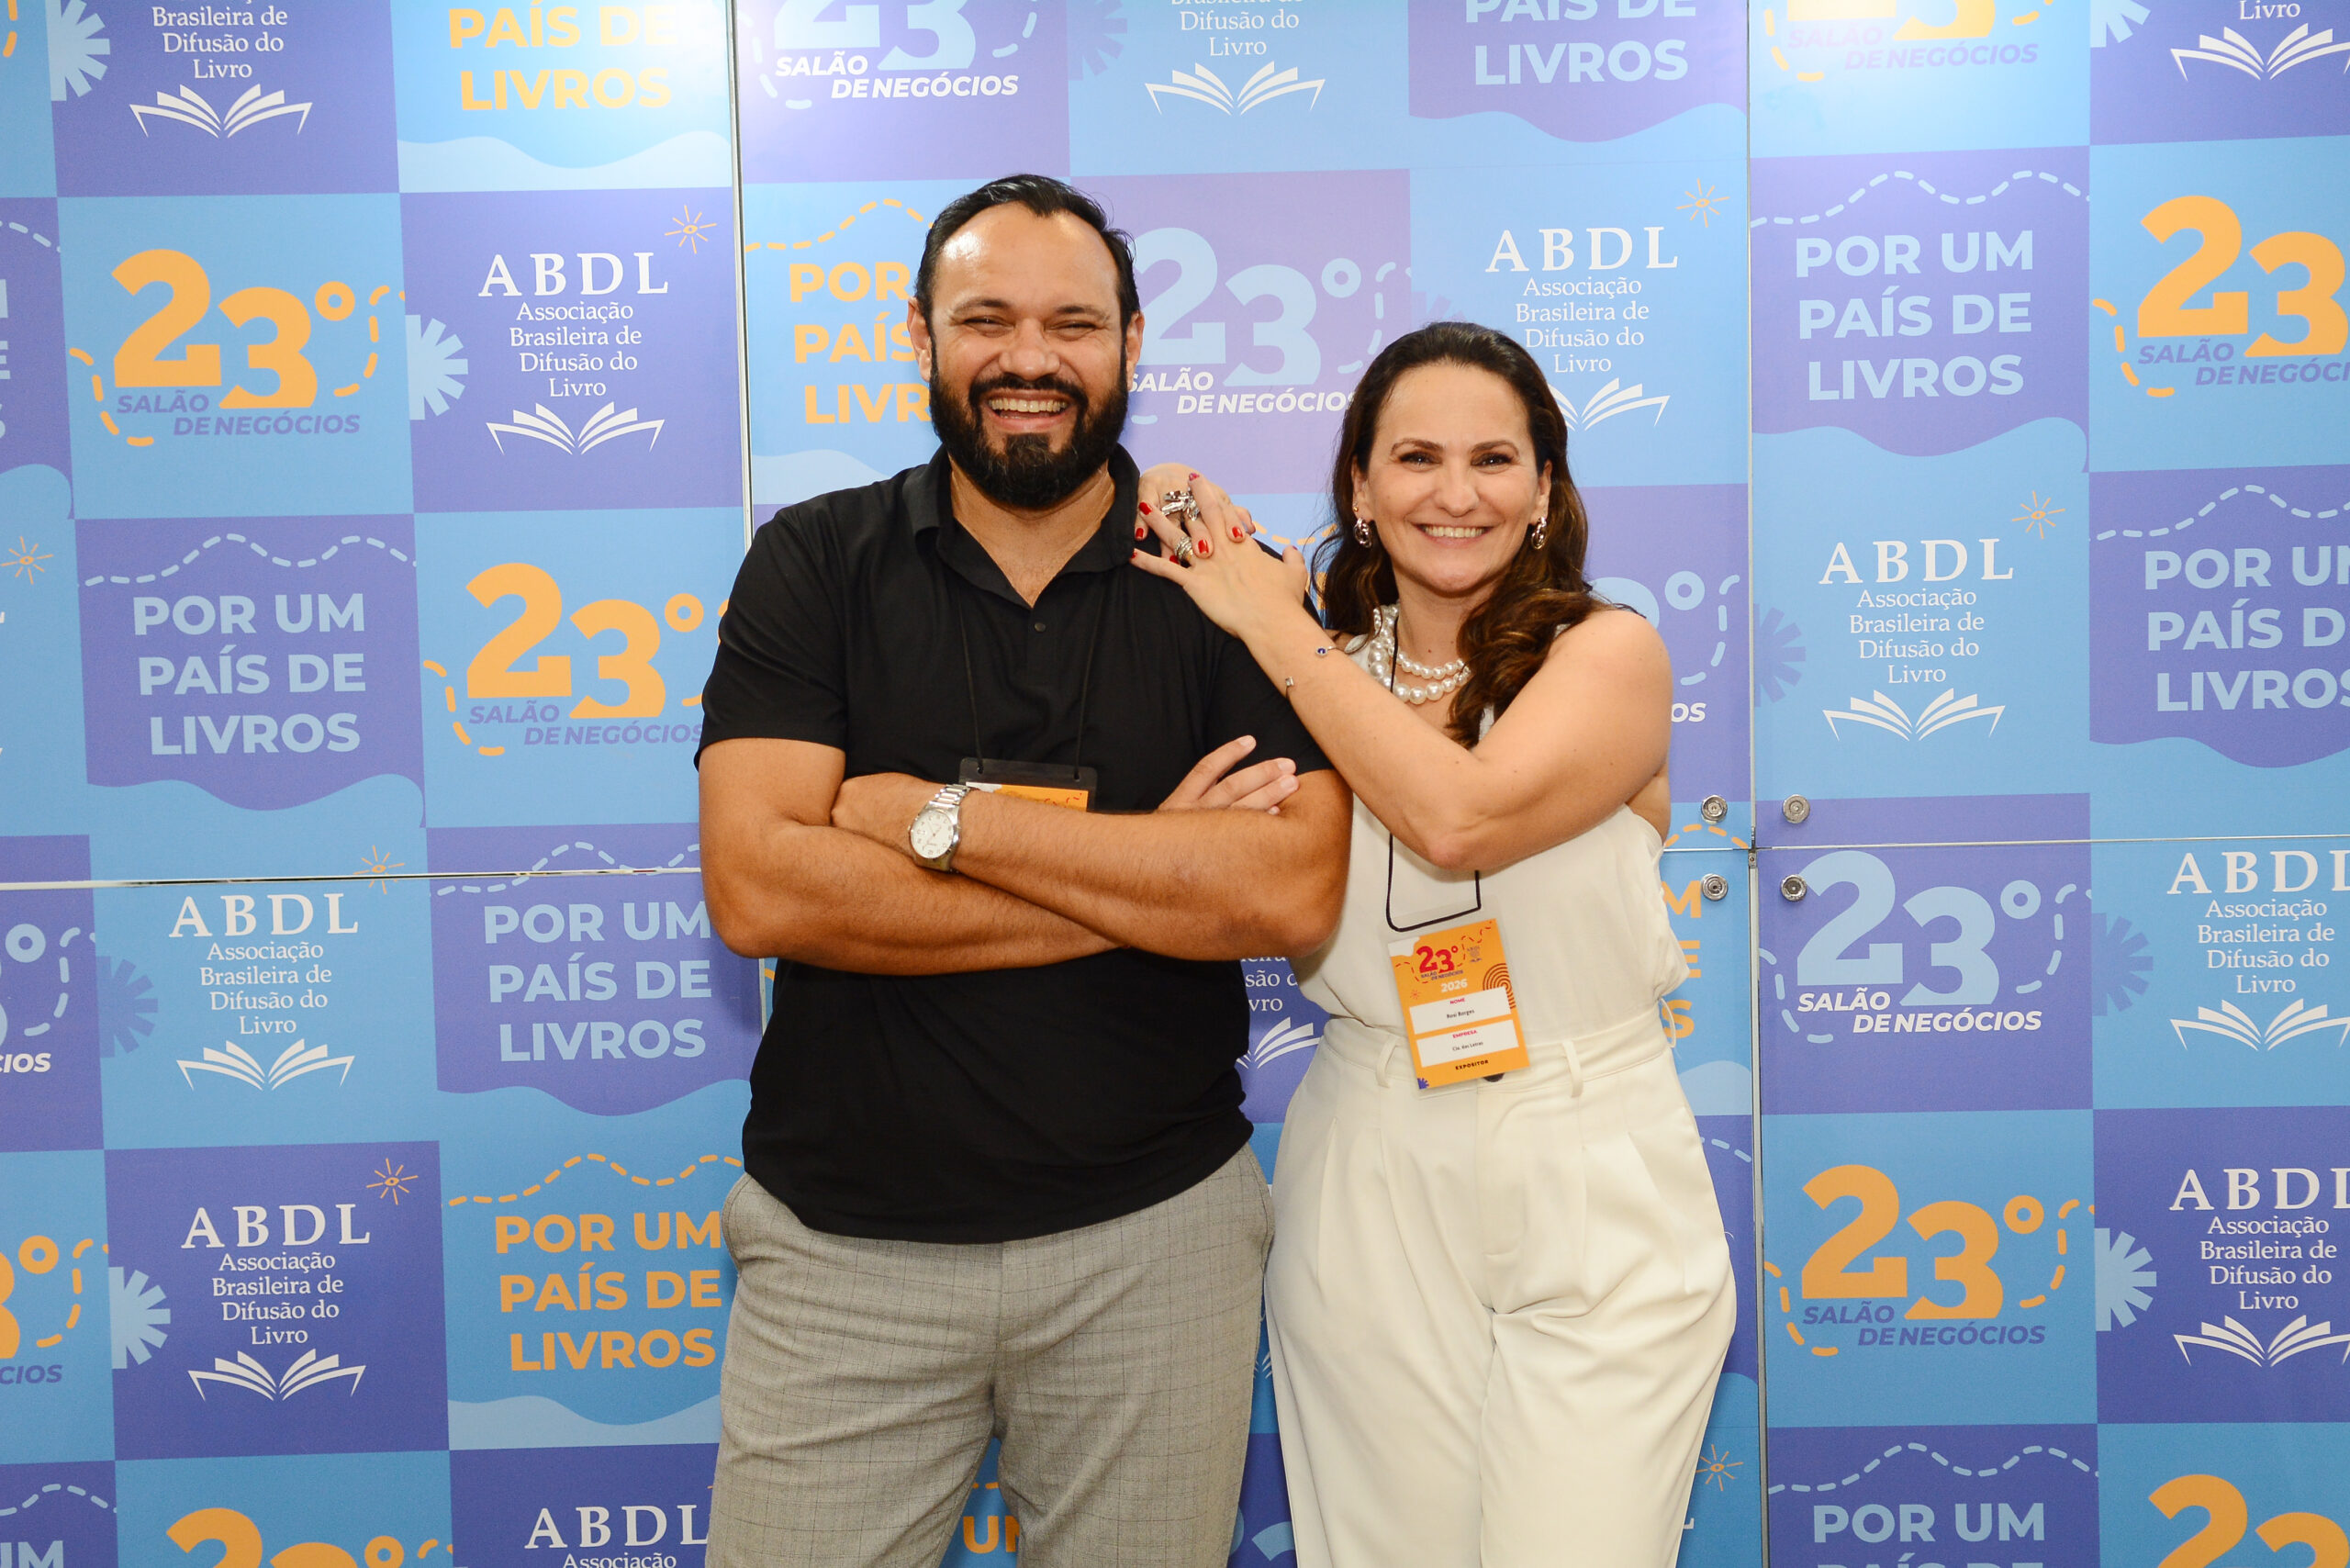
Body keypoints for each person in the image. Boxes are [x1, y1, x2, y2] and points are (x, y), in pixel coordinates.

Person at [694, 174, 1350, 1568]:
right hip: (843, 1254)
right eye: (986, 320)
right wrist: (1156, 874)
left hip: (1155, 1246)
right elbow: (761, 890)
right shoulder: (814, 562)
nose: (1029, 358)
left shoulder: (1223, 572)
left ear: (1132, 342)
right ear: (919, 336)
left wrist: (939, 824)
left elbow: (1287, 892)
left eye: (1074, 323)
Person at [1132, 320, 1732, 1566]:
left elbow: (1459, 817)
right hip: (1369, 1155)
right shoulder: (1314, 673)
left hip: (1590, 1148)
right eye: (1416, 458)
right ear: (1359, 486)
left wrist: (1275, 625)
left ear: (1545, 488)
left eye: (1493, 460)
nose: (1456, 494)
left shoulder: (1607, 654)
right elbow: (1151, 504)